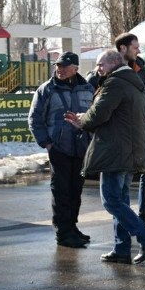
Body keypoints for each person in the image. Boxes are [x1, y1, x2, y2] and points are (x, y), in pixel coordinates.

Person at [65, 50, 145, 264]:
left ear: (113, 63)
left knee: (110, 201)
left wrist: (83, 121)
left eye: (101, 65)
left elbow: (100, 113)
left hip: (116, 152)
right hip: (129, 151)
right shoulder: (132, 82)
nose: (98, 69)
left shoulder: (115, 83)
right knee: (122, 201)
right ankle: (121, 248)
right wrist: (86, 118)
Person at [28, 51, 95, 248]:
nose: (60, 70)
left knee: (76, 190)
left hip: (82, 148)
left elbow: (93, 115)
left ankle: (72, 227)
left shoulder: (87, 88)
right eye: (58, 66)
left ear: (75, 69)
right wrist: (47, 143)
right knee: (61, 191)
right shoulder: (46, 89)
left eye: (65, 66)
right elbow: (34, 119)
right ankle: (63, 233)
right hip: (59, 148)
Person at [114, 32, 145, 225]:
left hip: (141, 128)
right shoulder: (111, 66)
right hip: (122, 133)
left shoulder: (140, 67)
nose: (138, 50)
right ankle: (126, 221)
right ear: (123, 48)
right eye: (135, 47)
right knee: (123, 179)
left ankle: (143, 215)